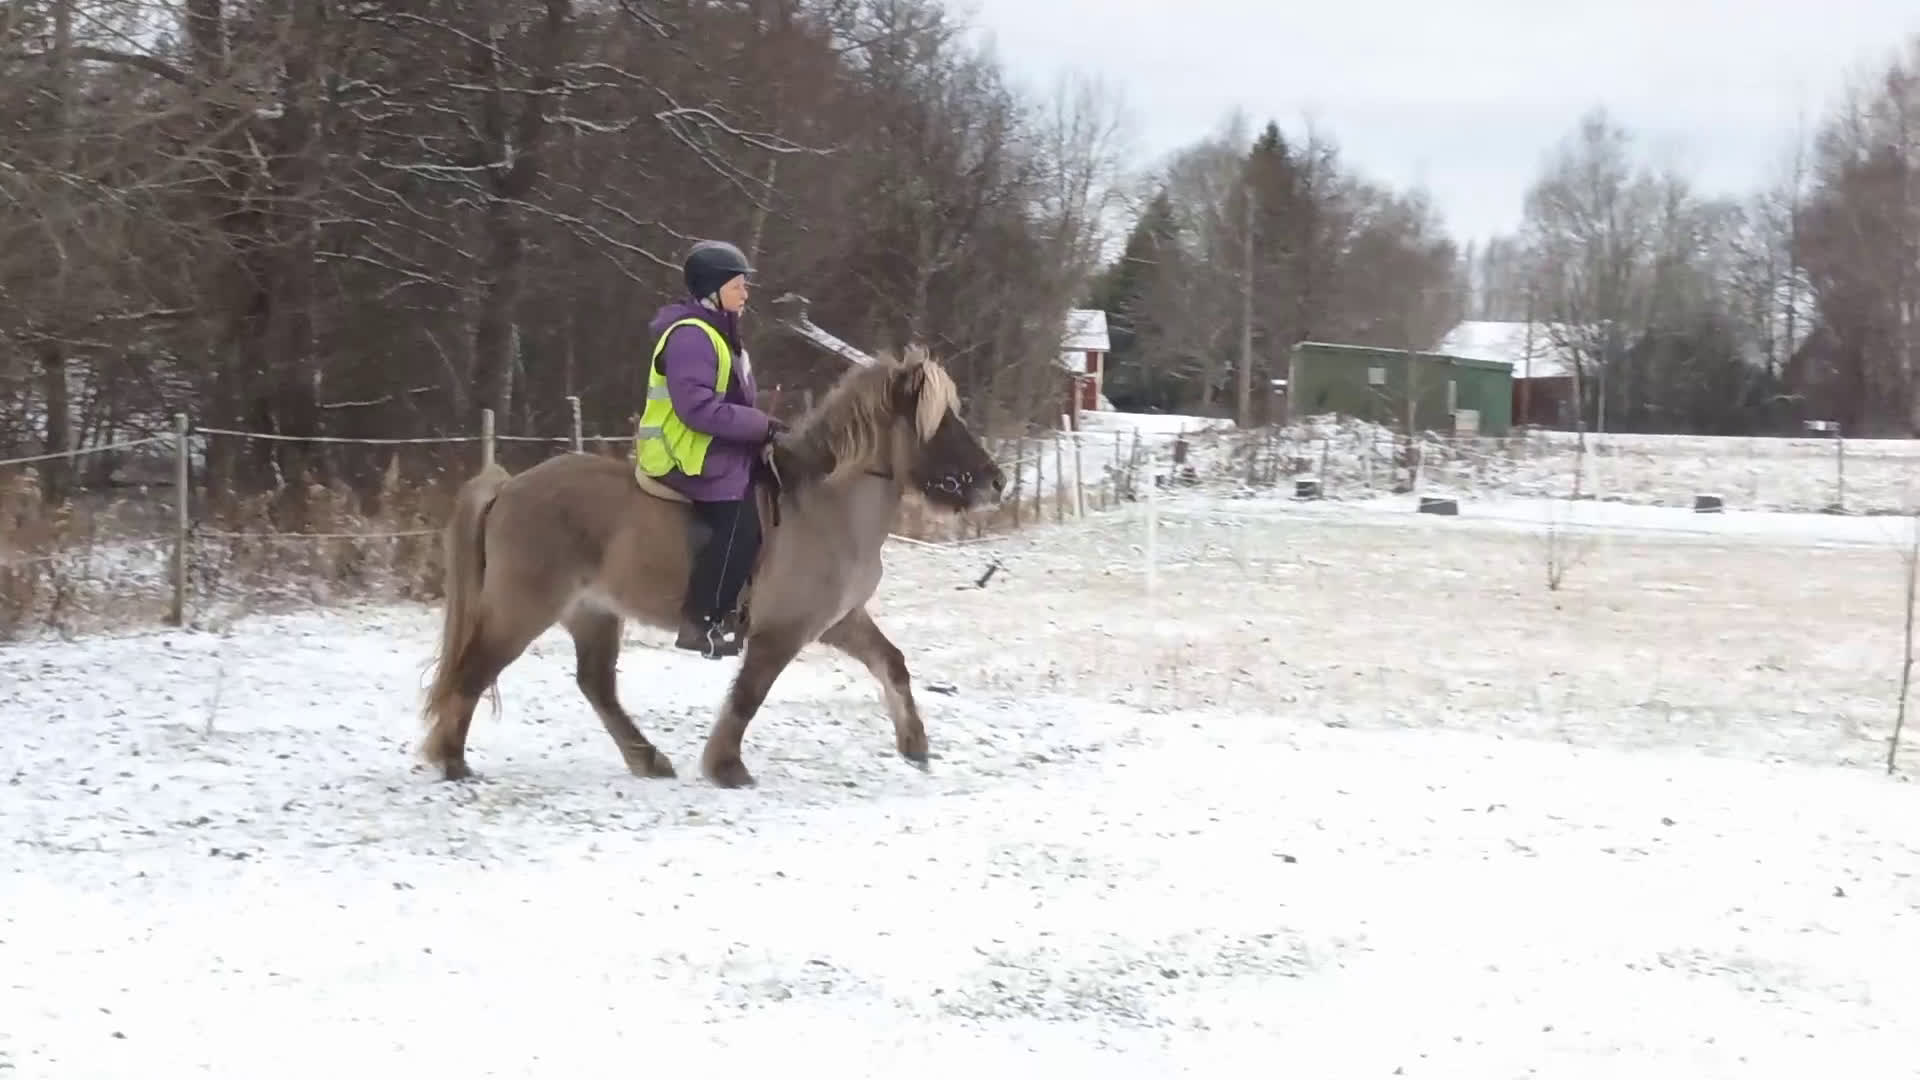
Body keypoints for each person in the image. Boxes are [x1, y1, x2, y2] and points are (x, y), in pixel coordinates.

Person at [634, 240, 785, 658]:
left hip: (713, 448)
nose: (746, 293)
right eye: (739, 285)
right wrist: (761, 426)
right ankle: (702, 619)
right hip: (683, 454)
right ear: (714, 288)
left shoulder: (722, 336)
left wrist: (766, 431)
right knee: (741, 523)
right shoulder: (691, 337)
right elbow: (697, 409)